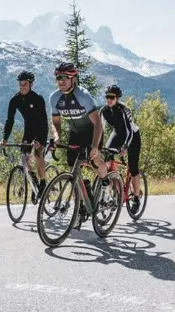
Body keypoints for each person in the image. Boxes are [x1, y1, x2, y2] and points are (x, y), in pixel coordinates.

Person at [49, 62, 108, 225]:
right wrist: (56, 137)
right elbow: (55, 122)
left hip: (92, 132)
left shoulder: (83, 95)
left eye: (64, 78)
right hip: (75, 134)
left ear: (73, 79)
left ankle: (105, 188)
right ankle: (80, 205)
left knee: (95, 161)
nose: (60, 81)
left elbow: (97, 123)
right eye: (58, 78)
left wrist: (95, 147)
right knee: (73, 172)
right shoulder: (54, 98)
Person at [0, 70, 49, 194]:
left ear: (31, 84)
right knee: (24, 158)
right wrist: (5, 138)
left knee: (37, 154)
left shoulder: (38, 99)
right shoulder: (15, 99)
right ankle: (34, 182)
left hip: (41, 129)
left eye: (25, 84)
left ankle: (43, 184)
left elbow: (43, 121)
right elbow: (10, 121)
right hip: (29, 130)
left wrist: (39, 140)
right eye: (20, 84)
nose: (22, 86)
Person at [99, 84, 143, 214]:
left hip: (132, 136)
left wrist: (125, 147)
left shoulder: (124, 109)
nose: (109, 99)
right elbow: (100, 130)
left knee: (133, 166)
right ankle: (111, 190)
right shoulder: (104, 110)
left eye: (112, 97)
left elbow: (129, 131)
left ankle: (135, 198)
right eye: (107, 97)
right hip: (118, 133)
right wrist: (97, 146)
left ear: (117, 98)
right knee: (107, 157)